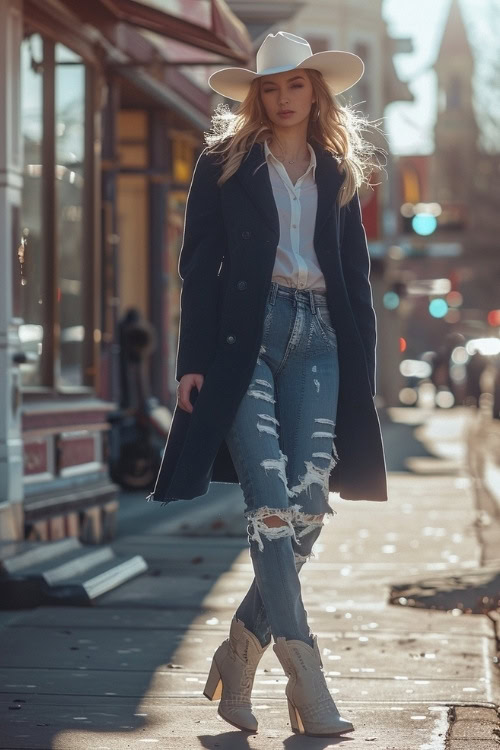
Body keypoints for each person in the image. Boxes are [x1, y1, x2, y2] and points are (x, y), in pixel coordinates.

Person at [148, 31, 388, 738]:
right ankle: (309, 680)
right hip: (242, 342)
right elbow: (198, 267)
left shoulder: (338, 169)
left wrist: (362, 374)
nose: (284, 98)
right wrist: (192, 360)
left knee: (307, 505)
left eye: (297, 85)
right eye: (271, 88)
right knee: (271, 505)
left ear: (316, 91)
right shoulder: (223, 164)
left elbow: (356, 281)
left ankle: (240, 650)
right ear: (257, 96)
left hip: (321, 340)